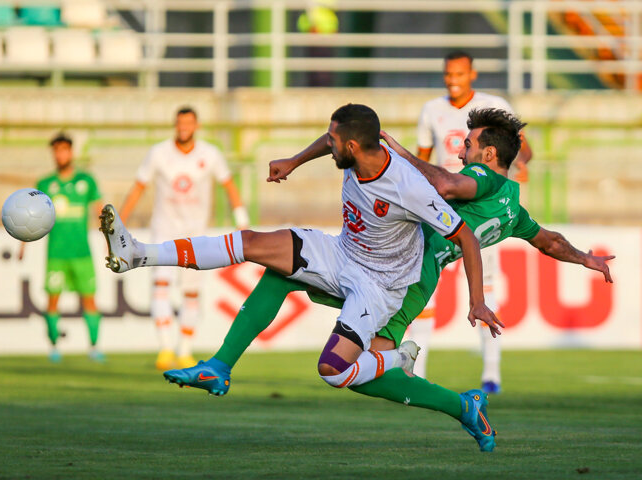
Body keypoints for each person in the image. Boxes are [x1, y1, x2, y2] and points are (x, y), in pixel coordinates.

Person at [162, 108, 614, 452]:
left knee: (353, 370)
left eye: (468, 144)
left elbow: (446, 185)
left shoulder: (480, 178)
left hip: (403, 275)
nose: (461, 150)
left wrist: (398, 155)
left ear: (488, 155)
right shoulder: (513, 205)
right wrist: (586, 259)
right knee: (283, 274)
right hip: (390, 267)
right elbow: (547, 240)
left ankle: (457, 403)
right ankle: (221, 365)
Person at [101, 103, 500, 447]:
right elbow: (328, 141)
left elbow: (465, 236)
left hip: (379, 286)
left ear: (352, 147)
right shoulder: (354, 149)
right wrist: (293, 160)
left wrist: (477, 300)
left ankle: (447, 394)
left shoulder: (409, 187)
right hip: (343, 253)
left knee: (335, 370)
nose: (328, 146)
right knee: (258, 247)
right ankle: (141, 258)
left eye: (333, 142)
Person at [413, 50, 534, 393]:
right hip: (441, 210)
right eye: (448, 74)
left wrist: (520, 162)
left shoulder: (493, 106)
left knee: (486, 288)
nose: (453, 80)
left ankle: (491, 374)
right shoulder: (431, 111)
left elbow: (522, 146)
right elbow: (422, 160)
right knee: (426, 288)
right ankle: (417, 371)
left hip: (480, 209)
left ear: (473, 74)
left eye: (459, 74)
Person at [117, 107, 250, 371]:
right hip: (164, 231)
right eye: (179, 123)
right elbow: (139, 187)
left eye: (188, 123)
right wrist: (119, 223)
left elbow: (229, 185)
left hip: (196, 234)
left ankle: (185, 351)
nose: (183, 127)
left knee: (191, 292)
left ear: (196, 125)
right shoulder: (159, 153)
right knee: (162, 286)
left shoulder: (210, 154)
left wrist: (242, 220)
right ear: (175, 125)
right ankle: (166, 349)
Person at [20, 132, 104, 363]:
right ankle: (54, 346)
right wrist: (23, 243)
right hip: (56, 253)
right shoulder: (45, 184)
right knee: (53, 299)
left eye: (64, 149)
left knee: (89, 299)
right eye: (56, 150)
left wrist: (110, 239)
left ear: (71, 152)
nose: (60, 154)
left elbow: (99, 211)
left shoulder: (86, 181)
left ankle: (94, 347)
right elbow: (30, 216)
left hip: (82, 253)